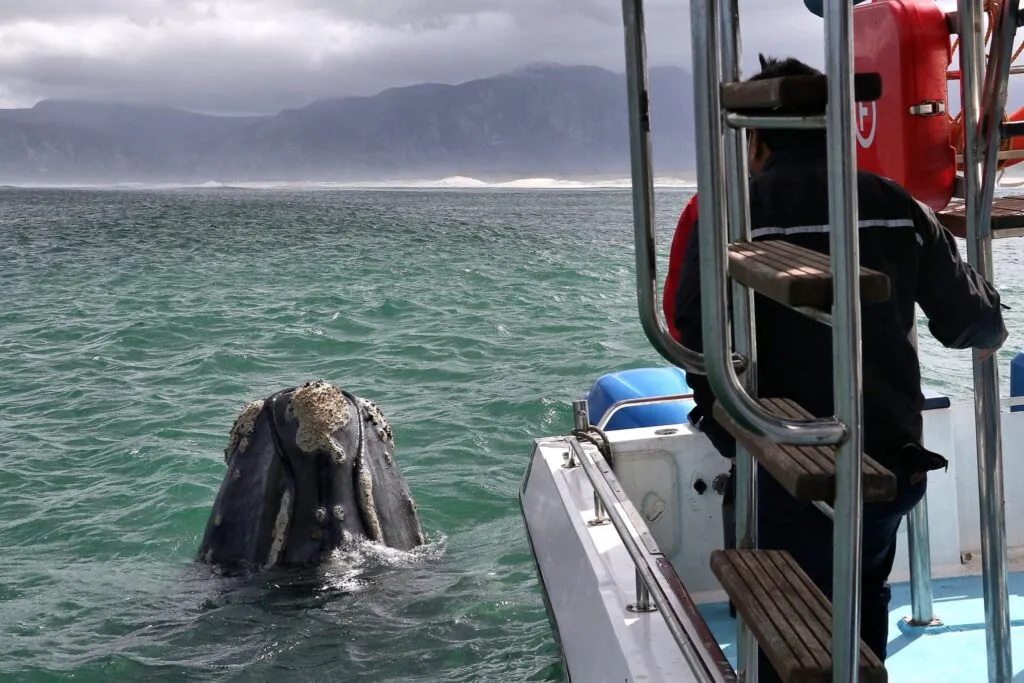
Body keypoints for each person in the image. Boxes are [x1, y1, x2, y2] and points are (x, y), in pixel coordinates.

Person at [674, 55, 1008, 681]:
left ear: (755, 139)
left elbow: (696, 336)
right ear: (834, 129)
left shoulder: (732, 218)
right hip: (885, 458)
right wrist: (989, 303)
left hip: (776, 457)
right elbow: (972, 325)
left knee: (784, 616)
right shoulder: (896, 207)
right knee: (862, 594)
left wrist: (731, 430)